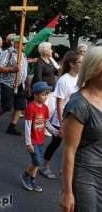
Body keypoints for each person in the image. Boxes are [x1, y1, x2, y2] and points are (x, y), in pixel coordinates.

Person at [60, 47, 102, 212]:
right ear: (95, 70)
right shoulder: (79, 105)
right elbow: (69, 151)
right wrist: (67, 192)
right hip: (86, 177)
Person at [39, 51, 83, 179]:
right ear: (72, 64)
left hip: (76, 118)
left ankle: (65, 169)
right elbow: (60, 104)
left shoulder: (82, 78)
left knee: (73, 146)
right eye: (81, 62)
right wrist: (62, 124)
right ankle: (44, 165)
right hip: (63, 119)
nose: (83, 64)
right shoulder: (63, 80)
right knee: (56, 143)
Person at [20, 82, 59, 192]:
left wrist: (55, 132)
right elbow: (27, 126)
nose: (46, 96)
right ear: (35, 95)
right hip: (33, 140)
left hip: (41, 140)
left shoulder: (45, 108)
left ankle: (32, 179)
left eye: (47, 94)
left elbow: (46, 123)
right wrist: (28, 143)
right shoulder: (30, 108)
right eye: (43, 94)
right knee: (37, 161)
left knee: (37, 162)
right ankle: (25, 176)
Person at [0, 35, 31, 136]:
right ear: (17, 44)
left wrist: (28, 86)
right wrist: (13, 69)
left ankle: (12, 127)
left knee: (20, 106)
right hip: (8, 83)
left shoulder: (23, 55)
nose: (25, 46)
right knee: (6, 106)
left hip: (20, 84)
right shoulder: (7, 53)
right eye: (24, 44)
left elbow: (24, 72)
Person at [31, 42, 59, 136]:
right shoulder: (39, 62)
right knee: (42, 110)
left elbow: (55, 72)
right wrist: (43, 91)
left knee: (51, 109)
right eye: (50, 49)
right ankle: (38, 129)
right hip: (44, 91)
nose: (52, 51)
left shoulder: (50, 60)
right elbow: (38, 77)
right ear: (45, 50)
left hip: (52, 89)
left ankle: (45, 127)